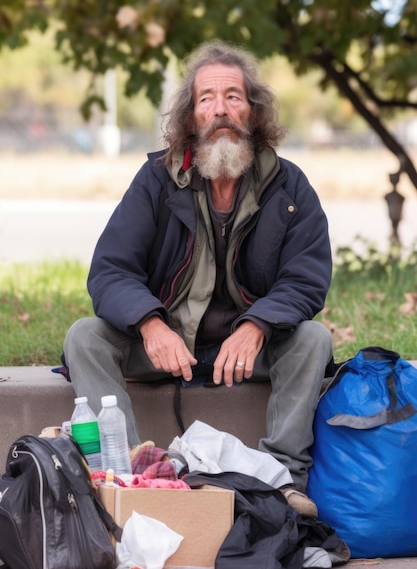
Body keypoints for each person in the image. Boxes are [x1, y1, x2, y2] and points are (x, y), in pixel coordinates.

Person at [63, 40, 333, 517]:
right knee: (84, 336)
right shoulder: (155, 179)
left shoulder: (290, 186)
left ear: (254, 111)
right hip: (169, 346)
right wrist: (150, 323)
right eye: (206, 98)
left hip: (249, 350)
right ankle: (131, 474)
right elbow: (111, 269)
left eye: (233, 96)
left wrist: (258, 325)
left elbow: (306, 278)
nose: (220, 109)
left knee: (312, 340)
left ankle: (283, 482)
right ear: (190, 117)